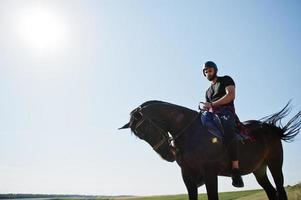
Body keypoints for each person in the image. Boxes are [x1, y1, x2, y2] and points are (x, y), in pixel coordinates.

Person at [199, 60, 244, 188]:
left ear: (215, 70)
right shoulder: (208, 91)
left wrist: (212, 104)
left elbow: (231, 95)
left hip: (226, 112)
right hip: (211, 114)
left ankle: (235, 169)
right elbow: (208, 108)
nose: (208, 73)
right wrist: (205, 107)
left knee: (228, 129)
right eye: (206, 71)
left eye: (210, 70)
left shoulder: (225, 79)